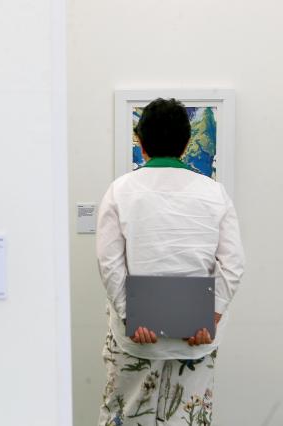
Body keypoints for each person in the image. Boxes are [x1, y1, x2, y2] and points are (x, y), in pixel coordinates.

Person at [95, 98, 244, 426]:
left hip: (135, 340)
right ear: (186, 143)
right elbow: (233, 264)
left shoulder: (119, 191)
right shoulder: (214, 193)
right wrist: (211, 317)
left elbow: (109, 262)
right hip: (196, 339)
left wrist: (131, 315)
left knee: (125, 417)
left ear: (142, 141)